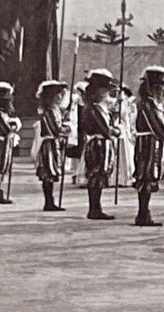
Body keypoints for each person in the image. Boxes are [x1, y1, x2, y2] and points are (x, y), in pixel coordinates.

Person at [132, 64, 164, 226]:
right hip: (148, 144)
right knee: (146, 177)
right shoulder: (149, 104)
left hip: (151, 143)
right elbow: (160, 127)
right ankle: (143, 213)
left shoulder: (153, 103)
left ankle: (144, 212)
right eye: (162, 86)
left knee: (148, 177)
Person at [77, 68, 119, 221]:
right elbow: (106, 130)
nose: (107, 93)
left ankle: (96, 207)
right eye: (105, 90)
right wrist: (116, 130)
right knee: (97, 175)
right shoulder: (95, 107)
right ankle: (94, 208)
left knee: (99, 175)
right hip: (98, 144)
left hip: (98, 142)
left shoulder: (93, 106)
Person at [34, 79, 69, 211]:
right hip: (48, 144)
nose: (60, 97)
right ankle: (49, 201)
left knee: (51, 172)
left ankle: (50, 201)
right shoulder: (49, 111)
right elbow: (56, 130)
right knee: (48, 172)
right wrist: (67, 129)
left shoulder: (55, 110)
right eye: (57, 94)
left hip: (54, 144)